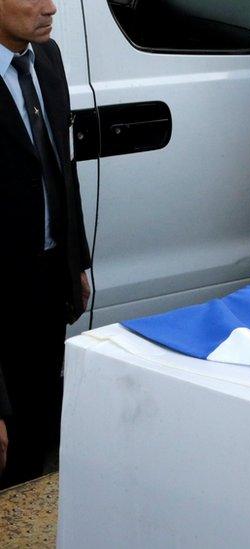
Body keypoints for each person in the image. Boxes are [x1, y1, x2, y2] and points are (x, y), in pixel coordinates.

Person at [1, 0, 91, 486]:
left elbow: (62, 166)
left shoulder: (46, 56)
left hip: (46, 272)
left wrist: (74, 261)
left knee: (35, 426)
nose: (51, 6)